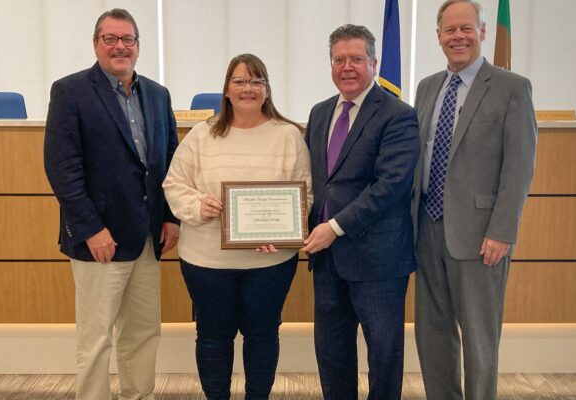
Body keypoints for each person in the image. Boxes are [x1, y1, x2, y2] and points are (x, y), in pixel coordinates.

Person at [43, 8, 179, 400]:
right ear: (96, 44)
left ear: (138, 46)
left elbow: (170, 159)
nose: (120, 46)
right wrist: (90, 229)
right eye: (110, 39)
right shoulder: (70, 92)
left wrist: (170, 217)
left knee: (142, 333)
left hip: (148, 238)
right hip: (98, 240)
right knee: (96, 338)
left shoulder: (157, 94)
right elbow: (62, 169)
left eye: (128, 39)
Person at [162, 53, 312, 400]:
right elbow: (174, 185)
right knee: (213, 337)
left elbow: (306, 194)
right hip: (206, 262)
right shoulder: (202, 135)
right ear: (226, 90)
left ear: (266, 89)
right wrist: (199, 205)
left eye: (256, 81)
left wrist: (280, 230)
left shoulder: (288, 136)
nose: (248, 88)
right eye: (239, 81)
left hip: (270, 263)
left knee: (262, 336)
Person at [412, 1, 537, 399]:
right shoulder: (427, 87)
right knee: (432, 333)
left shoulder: (511, 87)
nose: (458, 37)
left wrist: (502, 231)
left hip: (481, 235)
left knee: (480, 339)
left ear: (483, 32)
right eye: (449, 30)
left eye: (466, 28)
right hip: (427, 230)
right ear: (438, 37)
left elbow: (519, 167)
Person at [301, 24, 420, 400]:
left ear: (373, 62)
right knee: (332, 354)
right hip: (328, 261)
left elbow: (390, 185)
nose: (347, 67)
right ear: (330, 64)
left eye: (356, 59)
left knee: (383, 356)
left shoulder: (397, 114)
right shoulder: (320, 113)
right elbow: (317, 183)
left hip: (378, 261)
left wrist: (334, 227)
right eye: (339, 59)